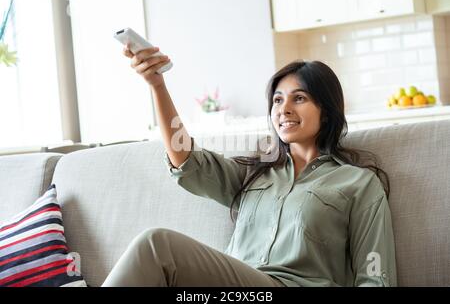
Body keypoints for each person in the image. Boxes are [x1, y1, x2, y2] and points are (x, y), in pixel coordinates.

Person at [101, 44, 397, 287]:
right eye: (278, 100)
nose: (284, 109)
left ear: (328, 112)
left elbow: (375, 276)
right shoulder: (254, 174)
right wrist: (157, 85)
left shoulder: (358, 184)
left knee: (156, 246)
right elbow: (185, 158)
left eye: (300, 98)